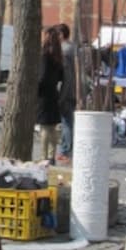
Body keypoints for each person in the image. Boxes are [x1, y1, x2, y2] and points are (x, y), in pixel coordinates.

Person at [36, 25, 64, 164]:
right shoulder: (58, 55)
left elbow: (42, 76)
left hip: (44, 94)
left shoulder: (44, 55)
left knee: (44, 127)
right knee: (52, 127)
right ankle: (52, 156)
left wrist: (37, 89)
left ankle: (43, 156)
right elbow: (60, 76)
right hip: (53, 92)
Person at [57, 23, 76, 162]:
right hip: (73, 90)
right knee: (68, 121)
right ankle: (67, 149)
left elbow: (66, 76)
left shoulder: (64, 50)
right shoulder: (73, 47)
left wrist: (62, 95)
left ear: (61, 35)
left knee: (67, 122)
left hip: (67, 91)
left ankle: (66, 150)